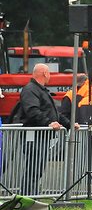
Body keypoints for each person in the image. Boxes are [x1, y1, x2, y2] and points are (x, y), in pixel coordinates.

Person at [19, 63, 79, 196]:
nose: (50, 76)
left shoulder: (40, 90)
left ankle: (31, 197)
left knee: (36, 170)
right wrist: (48, 123)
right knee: (33, 170)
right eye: (49, 73)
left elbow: (55, 113)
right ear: (45, 73)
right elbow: (32, 111)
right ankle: (28, 198)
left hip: (41, 136)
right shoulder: (31, 90)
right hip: (34, 136)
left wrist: (69, 124)